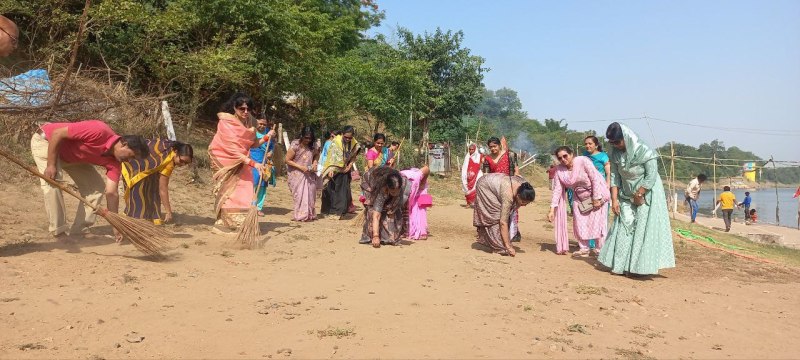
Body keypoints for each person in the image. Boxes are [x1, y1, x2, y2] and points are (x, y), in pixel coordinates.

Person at [30, 120, 149, 241]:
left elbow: (111, 193)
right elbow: (57, 134)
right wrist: (51, 165)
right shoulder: (99, 130)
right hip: (47, 141)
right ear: (124, 144)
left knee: (95, 187)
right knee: (52, 183)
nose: (129, 160)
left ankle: (79, 231)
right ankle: (59, 233)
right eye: (131, 156)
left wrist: (116, 226)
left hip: (72, 156)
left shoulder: (115, 163)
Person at [598, 122, 675, 276]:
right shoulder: (614, 153)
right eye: (612, 143)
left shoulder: (645, 152)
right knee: (624, 227)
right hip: (625, 194)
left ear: (626, 138)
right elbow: (614, 176)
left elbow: (651, 176)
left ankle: (638, 268)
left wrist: (639, 194)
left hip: (647, 193)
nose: (616, 146)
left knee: (641, 229)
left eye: (617, 142)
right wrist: (614, 200)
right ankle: (620, 265)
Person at [208, 93, 274, 232]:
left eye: (248, 109)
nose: (245, 112)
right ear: (234, 107)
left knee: (244, 189)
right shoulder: (226, 123)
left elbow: (253, 144)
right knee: (228, 191)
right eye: (241, 109)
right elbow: (232, 149)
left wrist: (267, 137)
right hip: (224, 159)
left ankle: (239, 223)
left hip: (243, 160)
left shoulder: (250, 121)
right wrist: (254, 163)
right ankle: (225, 223)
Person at [548, 146, 610, 256]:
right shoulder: (560, 171)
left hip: (597, 195)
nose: (563, 159)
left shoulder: (582, 161)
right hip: (579, 198)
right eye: (560, 158)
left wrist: (596, 198)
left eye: (565, 156)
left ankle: (600, 249)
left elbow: (594, 178)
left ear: (571, 154)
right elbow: (557, 190)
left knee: (597, 223)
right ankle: (584, 248)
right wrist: (552, 209)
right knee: (579, 222)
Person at [122, 139, 193, 224]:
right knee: (138, 196)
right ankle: (133, 221)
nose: (182, 165)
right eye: (182, 161)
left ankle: (147, 217)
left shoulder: (169, 147)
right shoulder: (169, 160)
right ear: (176, 152)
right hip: (134, 167)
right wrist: (168, 212)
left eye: (186, 163)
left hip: (141, 166)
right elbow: (163, 189)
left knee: (152, 188)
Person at [472, 173, 535, 257]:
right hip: (485, 186)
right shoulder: (507, 196)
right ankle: (499, 247)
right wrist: (508, 246)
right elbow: (503, 222)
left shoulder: (525, 186)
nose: (524, 205)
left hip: (496, 183)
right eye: (523, 202)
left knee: (505, 214)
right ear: (518, 195)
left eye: (527, 203)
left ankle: (499, 241)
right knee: (496, 216)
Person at [482, 137, 522, 241]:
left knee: (510, 211)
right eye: (490, 147)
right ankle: (497, 235)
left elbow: (516, 171)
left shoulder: (510, 155)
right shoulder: (487, 158)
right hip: (495, 188)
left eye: (494, 146)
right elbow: (486, 175)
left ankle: (512, 233)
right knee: (497, 211)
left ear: (499, 145)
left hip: (509, 187)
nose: (493, 149)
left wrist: (516, 187)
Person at [359, 167, 405, 247]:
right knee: (372, 210)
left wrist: (405, 228)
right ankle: (370, 235)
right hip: (371, 183)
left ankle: (387, 236)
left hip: (384, 186)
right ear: (387, 187)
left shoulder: (403, 185)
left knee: (392, 209)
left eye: (398, 190)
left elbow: (404, 209)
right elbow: (376, 215)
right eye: (393, 191)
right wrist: (375, 236)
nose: (396, 193)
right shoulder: (381, 191)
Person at [321, 125, 359, 218]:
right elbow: (332, 157)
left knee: (342, 192)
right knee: (331, 190)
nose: (347, 139)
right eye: (345, 137)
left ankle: (339, 212)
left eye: (350, 138)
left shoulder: (354, 143)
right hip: (333, 170)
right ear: (342, 134)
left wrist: (349, 166)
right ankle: (328, 211)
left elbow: (354, 156)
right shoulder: (336, 142)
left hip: (345, 170)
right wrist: (331, 169)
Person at [582, 135, 611, 250]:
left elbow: (608, 172)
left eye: (590, 143)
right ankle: (590, 243)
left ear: (596, 145)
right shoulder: (584, 156)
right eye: (586, 144)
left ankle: (601, 243)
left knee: (601, 216)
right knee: (588, 215)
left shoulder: (603, 156)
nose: (588, 146)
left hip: (601, 189)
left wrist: (607, 185)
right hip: (587, 189)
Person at [285, 126, 319, 222]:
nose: (308, 140)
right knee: (300, 194)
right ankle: (300, 215)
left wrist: (314, 163)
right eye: (306, 138)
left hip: (309, 173)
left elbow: (316, 156)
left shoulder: (314, 146)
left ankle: (309, 214)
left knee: (311, 194)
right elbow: (287, 160)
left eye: (310, 138)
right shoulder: (296, 145)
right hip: (297, 174)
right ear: (302, 136)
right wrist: (301, 167)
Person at [250, 118, 276, 216]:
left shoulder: (270, 135)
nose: (262, 126)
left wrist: (271, 152)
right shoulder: (252, 133)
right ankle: (250, 205)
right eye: (260, 124)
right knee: (253, 184)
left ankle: (258, 207)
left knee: (262, 185)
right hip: (252, 162)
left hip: (264, 162)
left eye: (264, 124)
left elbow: (272, 146)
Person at [400, 166, 431, 240]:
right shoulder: (397, 180)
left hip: (420, 190)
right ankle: (405, 231)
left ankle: (422, 232)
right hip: (410, 190)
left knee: (419, 211)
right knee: (405, 209)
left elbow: (426, 169)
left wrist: (423, 183)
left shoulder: (415, 176)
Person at [461, 143, 483, 207]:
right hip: (467, 175)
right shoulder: (467, 157)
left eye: (472, 149)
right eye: (470, 149)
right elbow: (464, 167)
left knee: (476, 189)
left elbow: (483, 163)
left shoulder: (479, 156)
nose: (471, 151)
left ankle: (477, 204)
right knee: (466, 189)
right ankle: (468, 203)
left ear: (475, 150)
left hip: (477, 175)